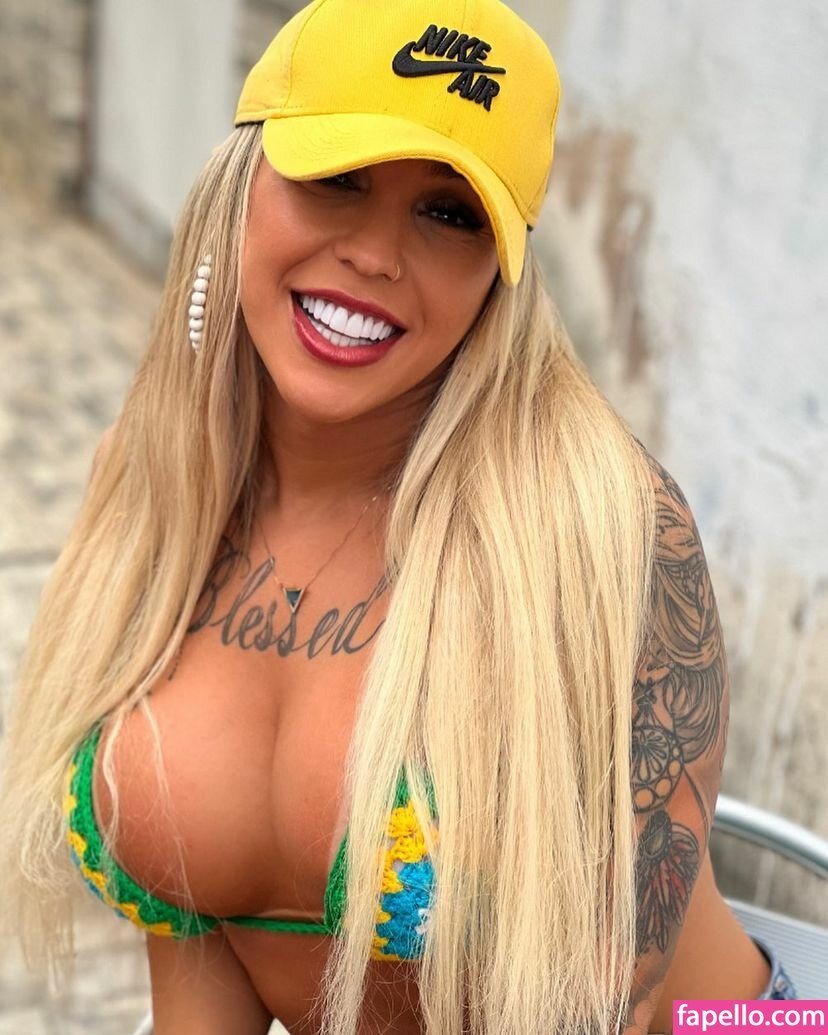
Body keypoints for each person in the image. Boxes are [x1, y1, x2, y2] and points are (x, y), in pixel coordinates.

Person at [0, 0, 797, 1032]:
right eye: (338, 178)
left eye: (451, 214)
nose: (376, 254)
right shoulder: (158, 480)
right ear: (238, 185)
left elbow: (607, 1004)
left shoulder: (601, 528)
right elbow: (198, 940)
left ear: (501, 275)